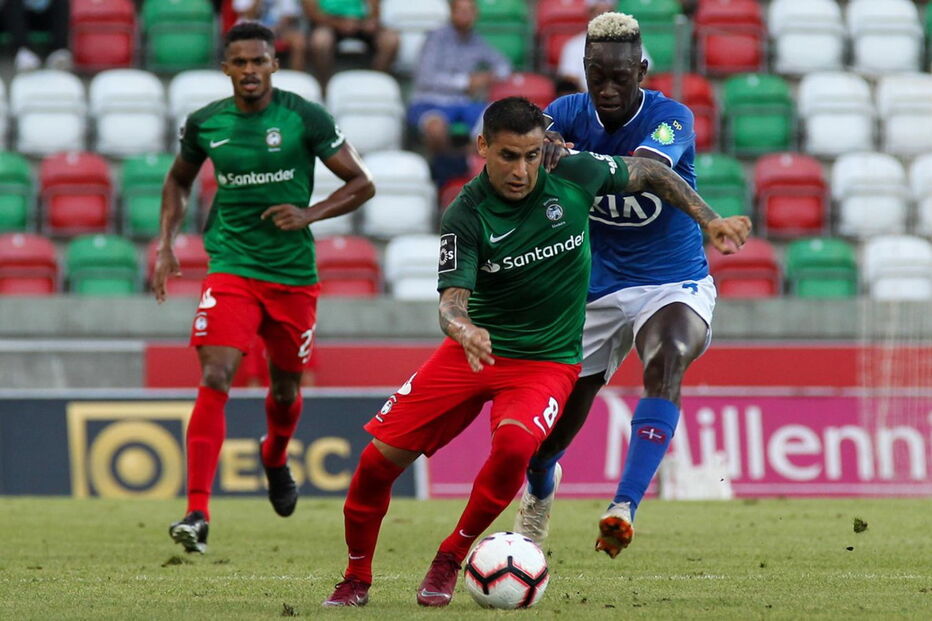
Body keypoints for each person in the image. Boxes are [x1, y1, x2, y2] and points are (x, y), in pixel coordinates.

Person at [322, 97, 749, 608]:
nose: (521, 170)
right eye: (508, 156)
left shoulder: (577, 172)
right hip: (474, 351)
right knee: (375, 464)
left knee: (514, 448)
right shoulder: (466, 213)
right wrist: (463, 329)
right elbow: (451, 304)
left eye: (530, 155)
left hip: (545, 362)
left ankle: (451, 556)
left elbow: (653, 174)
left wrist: (710, 220)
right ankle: (356, 578)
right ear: (483, 147)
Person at [513, 12, 752, 559]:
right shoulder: (565, 112)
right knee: (552, 430)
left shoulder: (671, 119)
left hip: (670, 279)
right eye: (597, 76)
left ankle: (623, 506)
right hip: (592, 287)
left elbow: (646, 172)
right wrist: (545, 144)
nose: (608, 89)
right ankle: (541, 488)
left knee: (667, 358)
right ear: (584, 69)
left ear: (641, 71)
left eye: (621, 77)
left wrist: (709, 220)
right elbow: (531, 145)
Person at [153, 21, 375, 554]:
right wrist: (166, 243)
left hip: (293, 275)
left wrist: (310, 213)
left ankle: (274, 454)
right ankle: (197, 512)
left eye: (259, 61)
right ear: (225, 68)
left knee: (285, 390)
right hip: (231, 265)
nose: (250, 70)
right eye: (240, 62)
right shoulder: (206, 123)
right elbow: (179, 179)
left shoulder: (304, 116)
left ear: (275, 64)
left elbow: (362, 182)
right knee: (215, 374)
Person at [408, 0, 511, 183]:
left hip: (462, 102)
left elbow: (504, 65)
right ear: (451, 12)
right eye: (461, 11)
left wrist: (487, 77)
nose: (465, 15)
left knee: (497, 117)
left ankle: (464, 163)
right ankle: (442, 175)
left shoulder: (476, 40)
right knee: (436, 129)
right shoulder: (436, 38)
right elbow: (425, 77)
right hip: (431, 100)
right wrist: (465, 82)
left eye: (469, 11)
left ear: (476, 14)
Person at [557, 0, 649, 94]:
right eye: (598, 12)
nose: (603, 18)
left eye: (607, 13)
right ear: (589, 14)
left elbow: (643, 78)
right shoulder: (573, 46)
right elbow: (570, 81)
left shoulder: (631, 43)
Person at [305, 0, 399, 84]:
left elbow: (374, 11)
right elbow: (313, 13)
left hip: (361, 23)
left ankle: (376, 81)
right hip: (328, 24)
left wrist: (369, 22)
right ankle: (325, 85)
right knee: (320, 41)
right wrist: (340, 24)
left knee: (390, 40)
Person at [232, 0, 309, 71]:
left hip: (279, 30)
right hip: (250, 29)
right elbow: (249, 15)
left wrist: (275, 29)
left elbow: (288, 16)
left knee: (299, 42)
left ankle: (296, 77)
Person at [2, 0, 72, 72]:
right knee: (12, 3)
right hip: (23, 18)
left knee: (61, 2)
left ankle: (59, 51)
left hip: (46, 18)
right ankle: (24, 52)